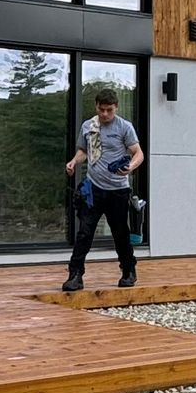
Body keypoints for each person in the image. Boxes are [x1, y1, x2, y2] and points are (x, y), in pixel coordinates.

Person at [62, 87, 144, 290]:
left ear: (116, 107)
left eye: (109, 110)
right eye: (101, 109)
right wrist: (74, 162)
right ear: (96, 107)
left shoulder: (124, 127)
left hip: (118, 190)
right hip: (94, 187)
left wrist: (130, 167)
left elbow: (138, 153)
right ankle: (75, 275)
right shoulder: (89, 126)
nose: (105, 114)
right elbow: (84, 151)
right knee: (84, 232)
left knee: (120, 233)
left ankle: (128, 270)